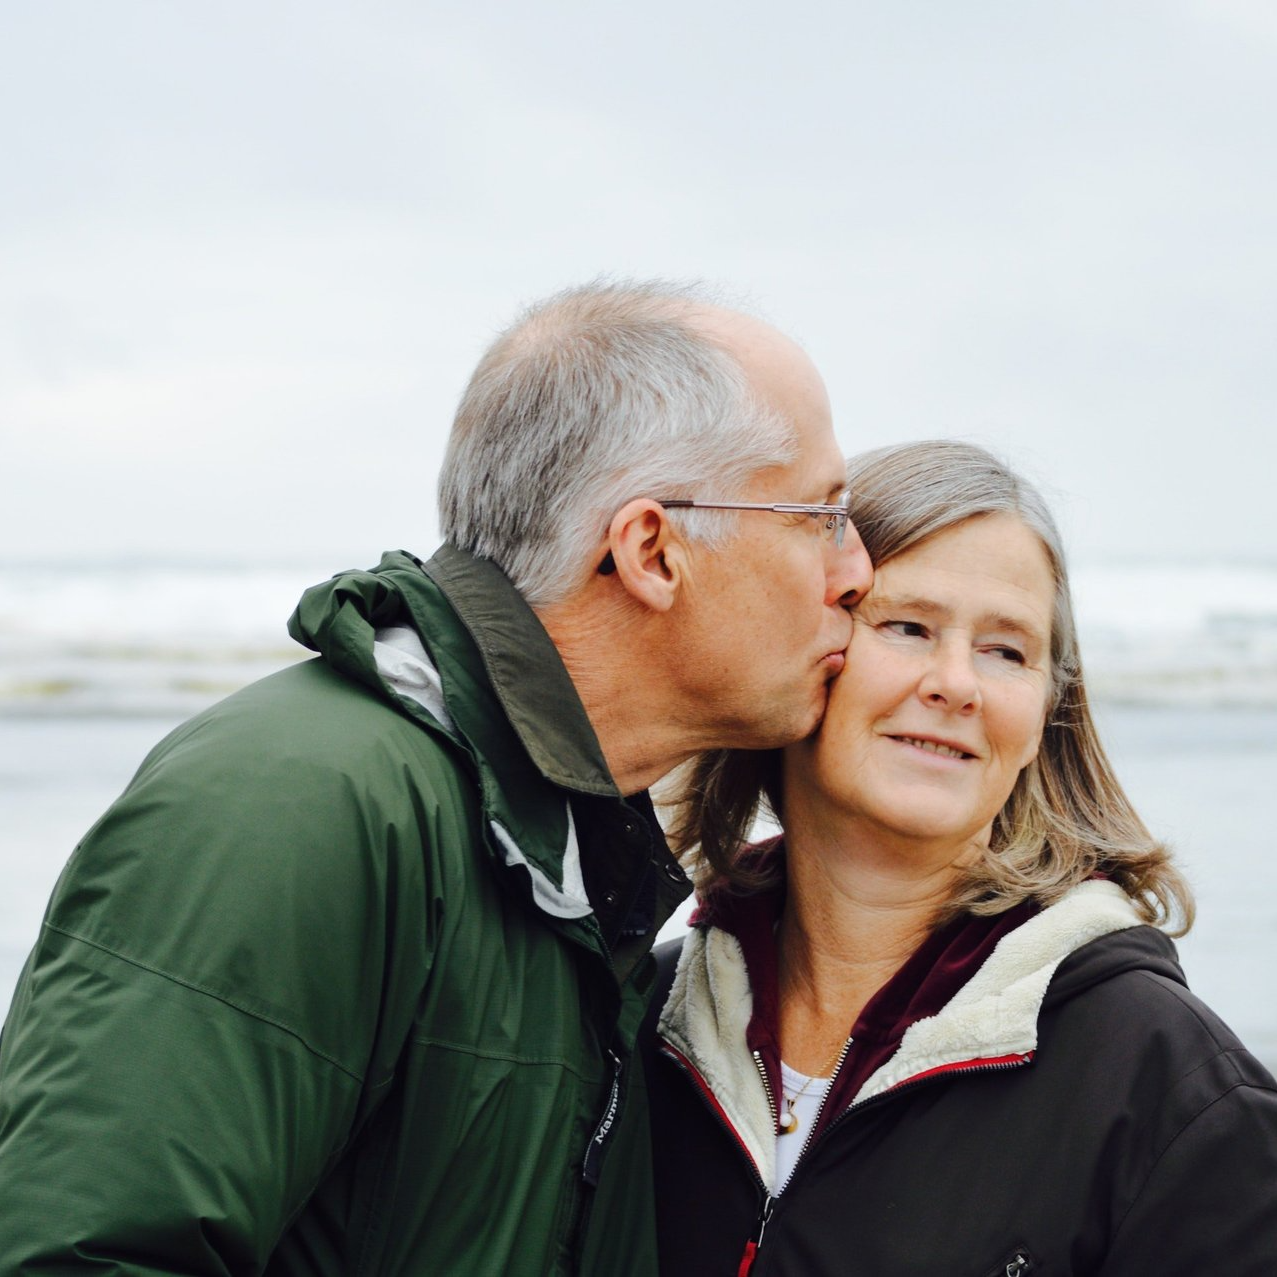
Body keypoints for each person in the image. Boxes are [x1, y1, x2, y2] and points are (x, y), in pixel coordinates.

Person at [0, 280, 873, 1276]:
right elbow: (79, 1252)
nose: (855, 571)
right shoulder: (303, 803)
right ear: (650, 550)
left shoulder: (566, 850)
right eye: (820, 515)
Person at [643, 439, 1277, 1276]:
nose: (956, 683)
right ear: (804, 647)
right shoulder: (642, 1021)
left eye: (1005, 650)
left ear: (1046, 712)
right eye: (907, 626)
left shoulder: (1173, 1089)